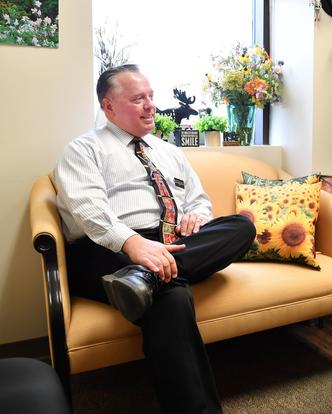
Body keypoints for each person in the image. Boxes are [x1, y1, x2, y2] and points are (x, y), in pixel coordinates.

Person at [53, 64, 256, 414]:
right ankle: (147, 272)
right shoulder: (83, 149)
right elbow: (88, 210)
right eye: (137, 99)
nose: (150, 106)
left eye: (150, 97)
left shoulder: (169, 152)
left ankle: (145, 277)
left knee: (241, 226)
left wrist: (197, 216)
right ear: (109, 106)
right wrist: (133, 243)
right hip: (107, 247)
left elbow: (198, 199)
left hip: (172, 241)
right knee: (172, 298)